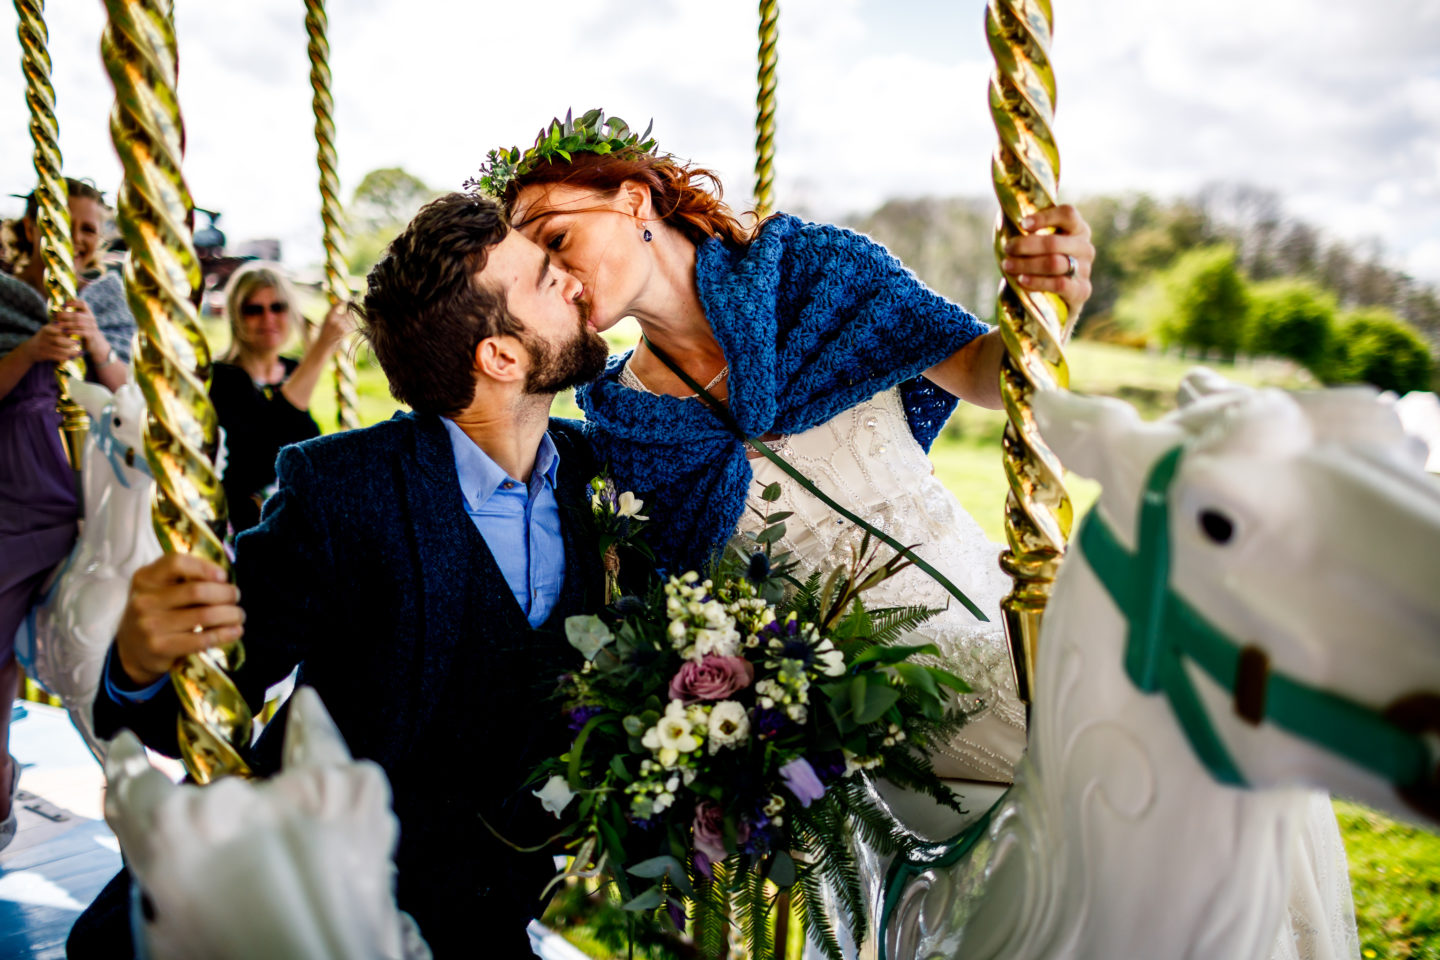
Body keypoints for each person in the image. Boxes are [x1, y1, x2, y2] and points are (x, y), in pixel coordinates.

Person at [67, 192, 613, 958]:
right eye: (542, 279)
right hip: (319, 890)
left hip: (487, 902)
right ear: (500, 355)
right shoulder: (344, 491)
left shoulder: (604, 478)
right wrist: (137, 662)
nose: (572, 281)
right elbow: (210, 694)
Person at [487, 111, 1094, 788]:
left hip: (992, 605)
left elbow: (985, 373)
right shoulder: (626, 425)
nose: (560, 276)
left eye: (559, 237)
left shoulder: (816, 272)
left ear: (634, 199)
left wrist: (1048, 308)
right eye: (538, 269)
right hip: (862, 716)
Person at [0, 179, 134, 851]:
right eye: (67, 225)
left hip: (87, 490)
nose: (80, 240)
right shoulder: (3, 295)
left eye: (89, 229)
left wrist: (95, 347)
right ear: (32, 227)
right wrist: (32, 351)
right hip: (13, 490)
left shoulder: (104, 301)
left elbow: (128, 390)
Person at [211, 262, 351, 533]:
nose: (268, 319)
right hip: (244, 523)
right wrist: (321, 350)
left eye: (278, 307)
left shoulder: (292, 370)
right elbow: (264, 450)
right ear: (235, 316)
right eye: (253, 310)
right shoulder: (221, 378)